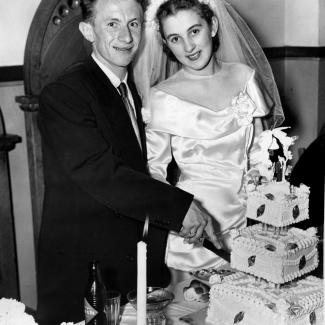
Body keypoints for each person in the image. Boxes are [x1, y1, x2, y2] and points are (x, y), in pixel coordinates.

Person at [36, 0, 222, 323]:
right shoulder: (64, 94)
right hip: (86, 285)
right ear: (87, 30)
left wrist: (182, 227)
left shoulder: (130, 90)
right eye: (112, 24)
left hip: (129, 278)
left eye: (133, 23)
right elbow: (105, 176)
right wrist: (180, 209)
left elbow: (140, 178)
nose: (126, 35)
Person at [133, 0, 285, 280]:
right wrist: (179, 213)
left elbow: (265, 152)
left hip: (248, 224)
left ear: (212, 26)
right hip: (192, 232)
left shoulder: (245, 77)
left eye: (194, 31)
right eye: (176, 38)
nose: (188, 47)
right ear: (166, 43)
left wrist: (268, 199)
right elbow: (152, 172)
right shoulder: (161, 97)